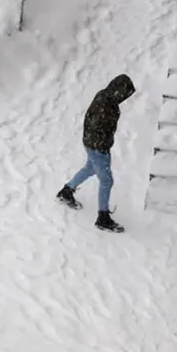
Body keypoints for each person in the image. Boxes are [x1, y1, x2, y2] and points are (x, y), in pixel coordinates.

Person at [56, 74, 136, 233]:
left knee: (90, 168)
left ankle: (66, 192)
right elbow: (97, 126)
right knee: (106, 181)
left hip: (91, 144)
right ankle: (103, 218)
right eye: (125, 94)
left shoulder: (104, 96)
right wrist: (102, 147)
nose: (125, 98)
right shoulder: (107, 106)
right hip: (98, 147)